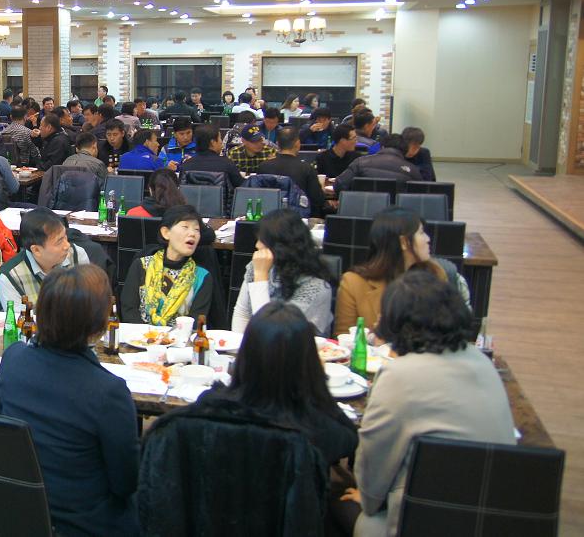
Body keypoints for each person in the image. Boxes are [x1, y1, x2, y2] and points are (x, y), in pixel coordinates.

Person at [343, 270, 514, 537]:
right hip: (494, 515)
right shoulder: (482, 362)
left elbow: (373, 478)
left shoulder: (400, 376)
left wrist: (366, 498)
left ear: (397, 323)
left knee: (342, 504)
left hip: (426, 519)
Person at [0, 265, 139, 537]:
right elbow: (126, 484)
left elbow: (6, 425)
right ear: (98, 326)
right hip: (85, 524)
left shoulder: (13, 359)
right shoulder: (109, 392)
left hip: (21, 512)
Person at [195, 301, 357, 468]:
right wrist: (319, 388)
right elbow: (350, 437)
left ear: (245, 354)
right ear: (308, 362)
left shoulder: (210, 406)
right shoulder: (319, 429)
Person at [334, 206, 470, 336]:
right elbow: (344, 338)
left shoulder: (434, 274)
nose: (428, 239)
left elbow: (443, 333)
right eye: (421, 233)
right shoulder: (353, 283)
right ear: (404, 242)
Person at [232, 209, 333, 334]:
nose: (257, 245)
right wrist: (239, 344)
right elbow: (242, 312)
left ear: (282, 246)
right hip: (255, 343)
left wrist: (261, 277)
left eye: (263, 241)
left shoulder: (316, 288)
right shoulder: (257, 266)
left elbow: (270, 331)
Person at [121, 205, 213, 324]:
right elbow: (129, 311)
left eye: (197, 229)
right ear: (166, 233)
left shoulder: (202, 277)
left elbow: (196, 322)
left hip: (180, 335)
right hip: (139, 334)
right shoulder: (141, 266)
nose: (192, 234)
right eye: (185, 227)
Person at [0, 208, 90, 310]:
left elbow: (89, 302)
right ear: (36, 250)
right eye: (59, 242)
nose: (67, 246)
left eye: (65, 237)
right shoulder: (9, 278)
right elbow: (19, 319)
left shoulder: (77, 255)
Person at [257, 127, 327, 216]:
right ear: (297, 143)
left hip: (268, 216)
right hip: (298, 218)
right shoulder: (307, 168)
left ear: (277, 144)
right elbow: (318, 200)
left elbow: (259, 195)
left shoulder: (263, 167)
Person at [335, 133, 423, 191]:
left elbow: (340, 185)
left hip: (362, 210)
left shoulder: (360, 162)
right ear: (404, 151)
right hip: (396, 213)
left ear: (382, 147)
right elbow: (419, 196)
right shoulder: (412, 170)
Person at [178, 123, 245, 188]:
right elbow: (242, 188)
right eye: (220, 138)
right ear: (212, 142)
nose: (221, 142)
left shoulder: (185, 166)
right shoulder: (227, 165)